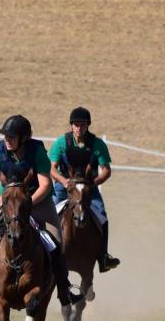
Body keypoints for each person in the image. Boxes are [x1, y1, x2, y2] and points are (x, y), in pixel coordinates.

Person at [0, 115, 83, 305]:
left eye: (11, 136)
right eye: (6, 136)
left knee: (56, 240)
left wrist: (27, 204)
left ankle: (65, 290)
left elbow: (45, 185)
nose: (7, 139)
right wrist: (2, 202)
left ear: (23, 138)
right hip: (7, 202)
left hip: (38, 201)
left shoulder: (37, 152)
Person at [48, 106, 120, 272]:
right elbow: (51, 168)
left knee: (101, 214)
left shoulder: (97, 144)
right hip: (64, 187)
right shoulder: (60, 143)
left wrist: (94, 183)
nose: (79, 128)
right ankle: (45, 253)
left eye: (82, 124)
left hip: (88, 187)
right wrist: (64, 182)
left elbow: (106, 170)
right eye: (76, 124)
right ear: (71, 125)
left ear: (88, 125)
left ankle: (103, 256)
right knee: (49, 214)